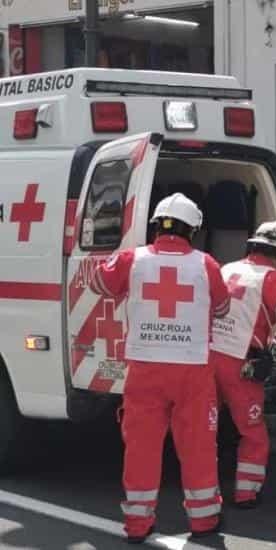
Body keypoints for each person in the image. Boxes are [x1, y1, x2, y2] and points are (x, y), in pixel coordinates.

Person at [89, 193, 230, 543]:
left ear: (155, 225)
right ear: (192, 230)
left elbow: (97, 284)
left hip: (145, 369)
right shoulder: (206, 264)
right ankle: (204, 520)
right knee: (197, 445)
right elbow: (224, 307)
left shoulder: (132, 260)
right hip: (193, 371)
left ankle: (138, 523)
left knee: (141, 446)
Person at [210, 221, 276, 509]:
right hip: (240, 363)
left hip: (207, 357)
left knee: (204, 429)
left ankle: (202, 487)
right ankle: (246, 493)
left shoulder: (227, 269)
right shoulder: (271, 278)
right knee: (252, 430)